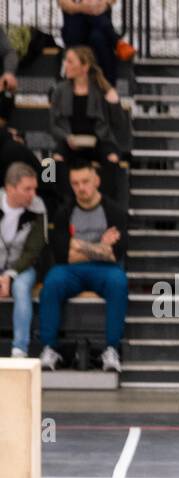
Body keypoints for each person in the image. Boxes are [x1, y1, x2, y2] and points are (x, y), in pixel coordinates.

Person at [38, 158, 128, 372]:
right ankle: (49, 348)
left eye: (85, 181)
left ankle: (111, 349)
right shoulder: (64, 212)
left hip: (105, 271)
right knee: (51, 283)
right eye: (75, 183)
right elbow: (62, 256)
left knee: (118, 283)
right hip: (70, 271)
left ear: (96, 180)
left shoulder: (114, 211)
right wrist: (99, 247)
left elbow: (114, 254)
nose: (81, 188)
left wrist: (77, 246)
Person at [49, 46, 122, 203]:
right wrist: (66, 137)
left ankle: (103, 201)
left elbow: (118, 123)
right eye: (65, 61)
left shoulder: (101, 89)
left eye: (70, 61)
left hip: (99, 141)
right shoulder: (59, 90)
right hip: (70, 141)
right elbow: (53, 125)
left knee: (113, 157)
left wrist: (114, 102)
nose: (65, 65)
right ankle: (63, 201)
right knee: (49, 163)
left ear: (84, 66)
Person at [1, 163, 47, 358]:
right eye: (27, 189)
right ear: (10, 189)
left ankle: (19, 349)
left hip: (22, 266)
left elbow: (33, 250)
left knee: (21, 288)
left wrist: (9, 276)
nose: (33, 194)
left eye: (34, 188)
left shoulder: (38, 207)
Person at [57, 0, 131, 87]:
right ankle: (116, 41)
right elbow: (64, 3)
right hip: (76, 27)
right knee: (96, 30)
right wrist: (82, 7)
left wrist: (103, 4)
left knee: (98, 38)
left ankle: (107, 89)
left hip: (97, 28)